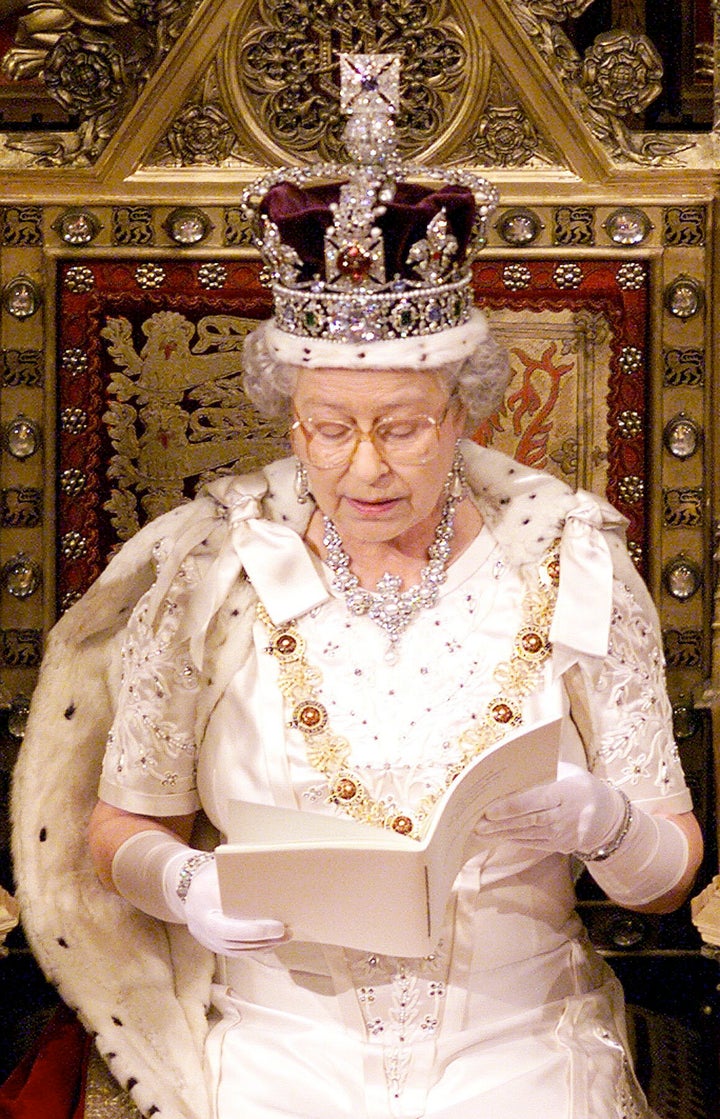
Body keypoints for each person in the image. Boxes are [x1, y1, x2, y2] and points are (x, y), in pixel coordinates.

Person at [12, 53, 702, 1119]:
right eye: (329, 429)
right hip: (280, 1043)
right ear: (292, 417)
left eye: (404, 428)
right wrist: (186, 886)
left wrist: (605, 820)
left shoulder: (575, 565)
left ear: (466, 411)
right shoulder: (207, 576)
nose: (364, 467)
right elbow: (118, 830)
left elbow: (664, 875)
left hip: (517, 1038)